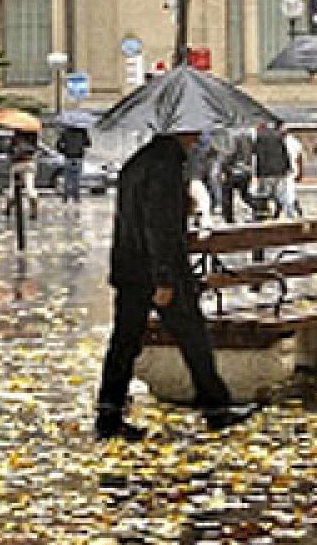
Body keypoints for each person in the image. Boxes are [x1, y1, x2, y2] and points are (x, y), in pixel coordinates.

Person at [95, 126, 255, 441]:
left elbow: (138, 218)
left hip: (130, 268)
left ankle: (109, 412)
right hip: (156, 271)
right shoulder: (165, 167)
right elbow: (159, 227)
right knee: (194, 338)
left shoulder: (139, 161)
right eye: (195, 134)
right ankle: (216, 408)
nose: (198, 140)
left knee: (125, 342)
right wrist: (165, 278)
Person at [251, 120, 294, 219]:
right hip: (280, 170)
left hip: (266, 171)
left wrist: (257, 173)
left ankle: (264, 216)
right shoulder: (277, 135)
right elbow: (284, 152)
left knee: (265, 194)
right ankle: (286, 213)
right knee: (280, 193)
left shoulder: (260, 137)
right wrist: (288, 167)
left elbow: (259, 156)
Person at [7, 127, 39, 219]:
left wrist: (13, 155)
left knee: (13, 188)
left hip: (17, 164)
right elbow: (35, 151)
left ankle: (8, 208)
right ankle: (33, 210)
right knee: (30, 187)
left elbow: (10, 152)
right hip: (29, 164)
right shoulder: (33, 136)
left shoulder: (16, 137)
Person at [56, 123, 89, 204]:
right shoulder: (83, 132)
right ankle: (76, 198)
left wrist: (63, 151)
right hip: (78, 158)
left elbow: (58, 144)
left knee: (67, 178)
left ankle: (65, 198)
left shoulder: (65, 132)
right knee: (76, 179)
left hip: (68, 157)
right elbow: (88, 144)